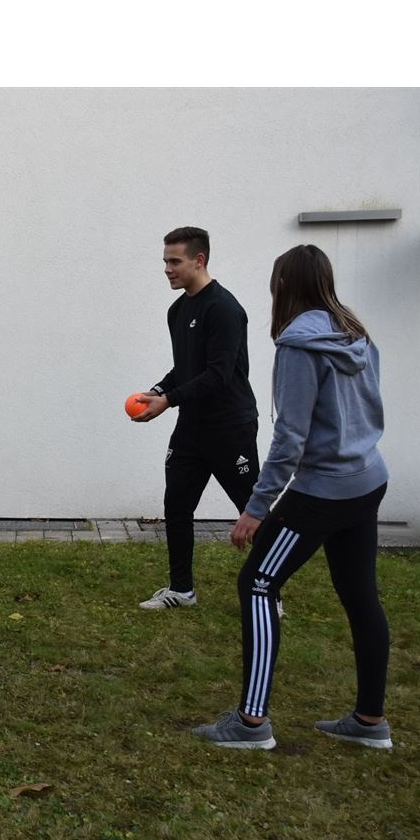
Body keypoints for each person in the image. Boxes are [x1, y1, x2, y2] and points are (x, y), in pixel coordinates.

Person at [192, 245, 392, 751]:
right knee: (361, 595)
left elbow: (289, 441)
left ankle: (250, 723)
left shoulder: (298, 347)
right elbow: (371, 410)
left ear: (282, 285)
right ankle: (370, 722)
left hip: (323, 491)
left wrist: (255, 509)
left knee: (258, 582)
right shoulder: (356, 333)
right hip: (367, 480)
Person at [131, 226, 261, 609]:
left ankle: (268, 591)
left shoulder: (224, 309)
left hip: (230, 427)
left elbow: (218, 375)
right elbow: (186, 368)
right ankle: (182, 590)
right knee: (177, 505)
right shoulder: (177, 311)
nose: (167, 269)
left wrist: (168, 400)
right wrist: (158, 390)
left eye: (175, 261)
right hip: (191, 428)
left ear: (199, 260)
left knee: (252, 509)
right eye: (165, 261)